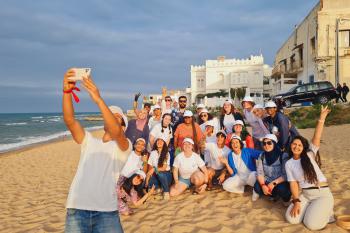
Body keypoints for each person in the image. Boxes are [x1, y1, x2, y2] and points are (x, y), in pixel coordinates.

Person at [63, 69, 131, 233]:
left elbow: (116, 131)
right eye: (110, 115)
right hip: (77, 208)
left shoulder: (124, 146)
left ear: (123, 126)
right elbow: (70, 120)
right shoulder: (89, 141)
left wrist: (98, 99)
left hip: (106, 212)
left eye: (117, 117)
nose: (112, 118)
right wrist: (66, 92)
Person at [285, 106, 334, 231]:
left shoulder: (309, 154)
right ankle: (313, 209)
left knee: (311, 224)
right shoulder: (289, 163)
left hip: (321, 194)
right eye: (294, 144)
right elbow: (294, 184)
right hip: (306, 195)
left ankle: (328, 213)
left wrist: (321, 118)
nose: (296, 147)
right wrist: (296, 201)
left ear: (304, 147)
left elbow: (317, 137)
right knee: (291, 219)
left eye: (300, 145)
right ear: (291, 146)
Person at [253, 134, 291, 203]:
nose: (266, 145)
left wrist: (273, 183)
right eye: (264, 143)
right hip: (267, 180)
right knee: (257, 187)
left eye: (269, 143)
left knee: (282, 189)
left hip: (279, 182)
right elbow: (260, 172)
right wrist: (263, 185)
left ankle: (285, 199)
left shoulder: (283, 156)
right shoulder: (262, 155)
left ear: (274, 143)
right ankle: (273, 195)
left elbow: (285, 175)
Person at [146, 136, 172, 200]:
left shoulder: (166, 153)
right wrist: (147, 181)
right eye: (158, 140)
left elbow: (163, 168)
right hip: (156, 174)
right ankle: (160, 189)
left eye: (161, 141)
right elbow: (150, 168)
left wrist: (154, 169)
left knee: (160, 173)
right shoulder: (153, 153)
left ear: (164, 143)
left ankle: (166, 191)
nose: (159, 142)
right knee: (149, 186)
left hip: (166, 175)